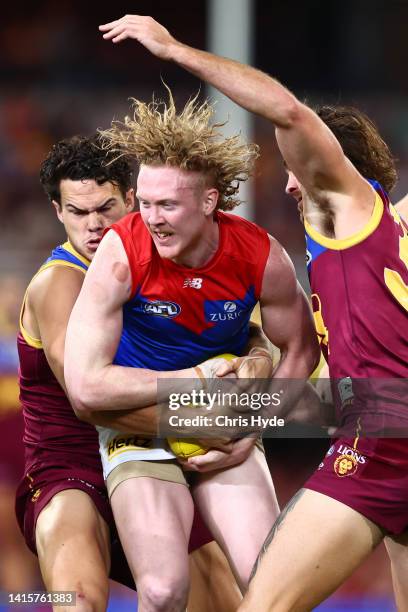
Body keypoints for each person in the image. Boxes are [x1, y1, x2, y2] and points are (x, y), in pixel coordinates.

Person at [99, 14, 408, 612]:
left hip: (382, 432)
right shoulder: (394, 228)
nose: (288, 184)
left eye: (294, 168)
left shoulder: (342, 211)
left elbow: (289, 111)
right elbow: (327, 385)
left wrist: (174, 49)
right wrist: (242, 415)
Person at [64, 84, 319, 610]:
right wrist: (197, 383)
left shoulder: (258, 253)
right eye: (147, 202)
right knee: (162, 590)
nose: (152, 218)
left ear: (209, 202)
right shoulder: (122, 251)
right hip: (140, 424)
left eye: (169, 205)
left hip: (227, 427)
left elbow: (301, 351)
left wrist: (253, 426)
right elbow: (85, 386)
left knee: (273, 588)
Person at [15, 133, 261, 612]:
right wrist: (211, 425)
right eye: (77, 212)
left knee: (228, 600)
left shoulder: (159, 259)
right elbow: (90, 404)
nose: (93, 225)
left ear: (131, 200)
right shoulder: (59, 283)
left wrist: (257, 353)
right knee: (78, 599)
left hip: (155, 459)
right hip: (72, 467)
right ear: (57, 212)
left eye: (105, 207)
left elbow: (229, 329)